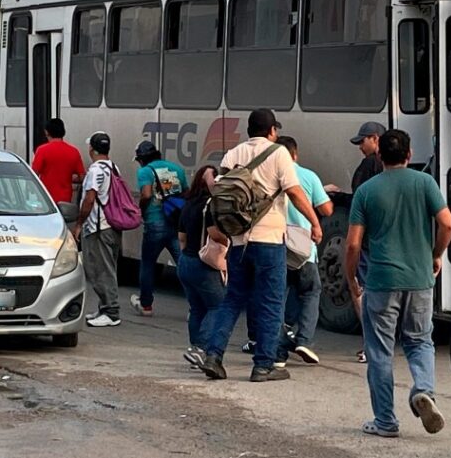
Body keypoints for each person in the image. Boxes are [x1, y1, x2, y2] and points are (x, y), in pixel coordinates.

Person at [345, 129, 451, 439]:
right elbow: (446, 224)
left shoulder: (366, 191)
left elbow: (353, 245)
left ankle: (385, 421)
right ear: (408, 155)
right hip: (419, 279)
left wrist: (352, 278)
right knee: (420, 341)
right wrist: (435, 255)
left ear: (379, 156)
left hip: (380, 281)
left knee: (379, 351)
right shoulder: (425, 183)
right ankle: (423, 391)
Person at [200, 109, 323, 383]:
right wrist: (314, 222)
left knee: (232, 299)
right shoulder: (278, 153)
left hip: (238, 241)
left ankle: (213, 355)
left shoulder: (233, 154)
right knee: (270, 302)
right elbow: (294, 192)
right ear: (272, 131)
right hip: (268, 241)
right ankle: (264, 365)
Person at [273, 135, 333, 367]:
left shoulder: (269, 176)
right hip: (302, 248)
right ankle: (304, 340)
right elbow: (326, 209)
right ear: (295, 154)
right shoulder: (308, 176)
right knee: (311, 291)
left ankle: (278, 351)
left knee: (276, 298)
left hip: (274, 245)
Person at [129, 140, 188, 317]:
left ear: (142, 159)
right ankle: (195, 306)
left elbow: (146, 194)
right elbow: (186, 192)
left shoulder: (145, 171)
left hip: (154, 222)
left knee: (148, 264)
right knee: (183, 265)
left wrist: (140, 207)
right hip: (176, 222)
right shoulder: (176, 168)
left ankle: (146, 305)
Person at [178, 165, 227, 369]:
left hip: (186, 261)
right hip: (204, 263)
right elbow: (214, 233)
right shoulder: (210, 204)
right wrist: (229, 241)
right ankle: (200, 348)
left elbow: (181, 238)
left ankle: (194, 350)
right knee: (218, 306)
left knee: (197, 308)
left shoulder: (188, 204)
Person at [75, 131, 123, 328]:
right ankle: (104, 308)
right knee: (108, 267)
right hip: (112, 225)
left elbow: (90, 199)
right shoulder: (114, 167)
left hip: (98, 227)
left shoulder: (95, 170)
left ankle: (111, 312)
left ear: (91, 149)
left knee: (101, 270)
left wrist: (79, 223)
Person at [349, 120, 386, 364]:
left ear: (374, 138)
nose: (360, 147)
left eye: (362, 141)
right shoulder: (397, 169)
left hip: (368, 242)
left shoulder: (368, 166)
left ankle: (370, 344)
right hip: (387, 241)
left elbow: (359, 202)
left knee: (363, 292)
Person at [31, 118, 85, 204]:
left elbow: (34, 174)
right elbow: (82, 177)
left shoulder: (42, 150)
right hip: (65, 199)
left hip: (45, 199)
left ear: (46, 132)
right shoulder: (74, 151)